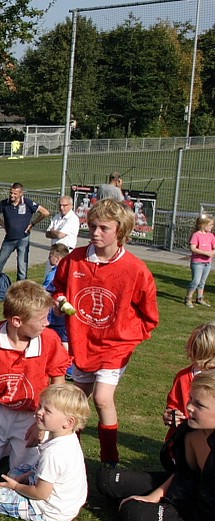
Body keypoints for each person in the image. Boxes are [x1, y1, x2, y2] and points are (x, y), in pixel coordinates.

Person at [52, 199, 159, 465]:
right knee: (76, 398)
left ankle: (109, 460)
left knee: (102, 398)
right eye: (92, 226)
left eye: (104, 228)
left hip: (115, 345)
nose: (96, 233)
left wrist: (128, 335)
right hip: (83, 342)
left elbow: (150, 313)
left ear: (120, 231)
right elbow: (58, 287)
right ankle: (69, 454)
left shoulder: (134, 268)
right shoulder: (75, 259)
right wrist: (60, 300)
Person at [0, 281, 69, 479]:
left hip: (30, 414)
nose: (47, 323)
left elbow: (59, 380)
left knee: (19, 474)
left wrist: (42, 423)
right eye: (41, 319)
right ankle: (3, 447)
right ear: (17, 321)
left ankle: (10, 449)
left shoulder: (49, 339)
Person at [98, 372, 215, 521]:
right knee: (107, 479)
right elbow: (182, 474)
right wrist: (152, 497)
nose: (189, 407)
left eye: (199, 405)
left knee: (133, 513)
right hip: (184, 492)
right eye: (191, 399)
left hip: (202, 517)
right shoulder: (190, 432)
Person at [0, 384, 91, 521]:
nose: (39, 412)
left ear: (68, 422)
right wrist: (21, 478)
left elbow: (41, 493)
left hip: (51, 510)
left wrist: (16, 486)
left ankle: (38, 512)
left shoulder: (54, 453)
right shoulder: (69, 439)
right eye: (40, 406)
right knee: (16, 471)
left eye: (47, 410)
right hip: (68, 503)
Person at [163, 321, 215, 445]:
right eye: (194, 353)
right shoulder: (183, 377)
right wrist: (171, 415)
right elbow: (173, 405)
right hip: (183, 440)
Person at [0, 182, 50, 281]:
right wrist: (3, 224)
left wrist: (33, 223)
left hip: (23, 238)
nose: (12, 195)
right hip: (9, 239)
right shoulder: (4, 203)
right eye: (11, 193)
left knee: (22, 265)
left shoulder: (28, 203)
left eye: (15, 194)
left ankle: (21, 287)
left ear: (21, 193)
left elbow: (45, 213)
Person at [187, 214, 215, 308]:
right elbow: (193, 248)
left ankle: (199, 298)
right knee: (195, 281)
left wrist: (212, 252)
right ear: (203, 225)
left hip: (207, 263)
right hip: (197, 262)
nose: (212, 227)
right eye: (210, 225)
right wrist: (206, 253)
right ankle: (188, 298)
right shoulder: (196, 235)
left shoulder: (211, 235)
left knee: (202, 282)